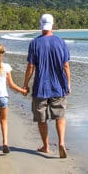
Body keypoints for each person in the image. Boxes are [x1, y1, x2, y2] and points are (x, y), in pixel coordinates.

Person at [23, 14, 71, 158]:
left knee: (41, 118)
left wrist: (25, 84)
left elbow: (31, 66)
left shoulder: (34, 43)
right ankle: (61, 142)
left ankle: (46, 146)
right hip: (58, 86)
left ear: (41, 25)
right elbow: (66, 65)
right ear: (53, 25)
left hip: (41, 87)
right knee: (60, 115)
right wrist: (68, 83)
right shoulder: (61, 42)